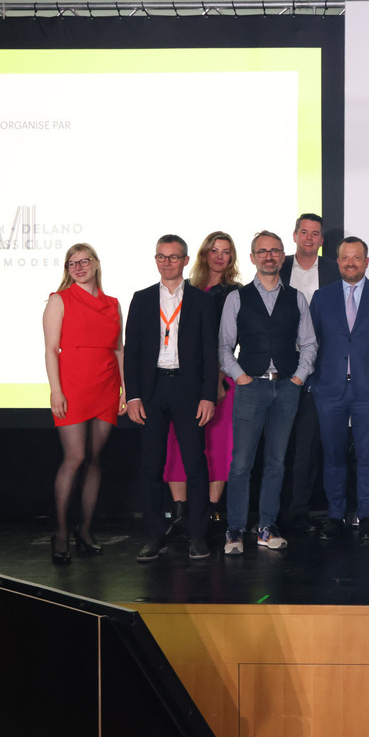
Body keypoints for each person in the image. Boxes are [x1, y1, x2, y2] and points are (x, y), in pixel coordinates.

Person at [219, 230, 318, 555]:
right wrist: (241, 377)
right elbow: (224, 347)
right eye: (262, 251)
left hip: (286, 388)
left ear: (282, 255)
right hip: (251, 388)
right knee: (241, 464)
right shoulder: (237, 298)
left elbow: (308, 344)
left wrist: (299, 378)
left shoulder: (296, 298)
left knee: (277, 463)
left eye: (275, 251)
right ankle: (234, 530)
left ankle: (266, 526)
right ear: (252, 257)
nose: (269, 256)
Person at [124, 235, 219, 562]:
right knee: (151, 464)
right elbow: (131, 353)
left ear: (185, 260)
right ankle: (154, 536)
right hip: (151, 390)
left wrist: (209, 396)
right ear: (156, 260)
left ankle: (197, 535)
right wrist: (132, 395)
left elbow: (210, 353)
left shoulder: (201, 300)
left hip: (187, 389)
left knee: (195, 462)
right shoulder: (141, 299)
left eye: (174, 257)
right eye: (162, 257)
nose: (167, 262)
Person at [309, 236, 369, 541]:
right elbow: (309, 343)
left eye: (356, 258)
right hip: (329, 390)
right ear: (338, 262)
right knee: (333, 456)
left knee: (367, 456)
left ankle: (366, 517)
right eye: (345, 258)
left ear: (366, 262)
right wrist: (312, 382)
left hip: (368, 391)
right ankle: (335, 516)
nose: (350, 263)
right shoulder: (322, 297)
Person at [42, 243, 123, 565]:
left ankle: (84, 530)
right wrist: (56, 391)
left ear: (96, 264)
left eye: (83, 261)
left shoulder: (113, 304)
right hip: (73, 386)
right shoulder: (59, 300)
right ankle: (61, 532)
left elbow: (119, 349)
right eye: (71, 263)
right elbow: (50, 349)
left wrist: (125, 389)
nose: (78, 267)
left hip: (106, 385)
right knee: (74, 457)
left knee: (94, 458)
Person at [159, 231, 241, 542]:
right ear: (204, 253)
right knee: (176, 445)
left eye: (226, 251)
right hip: (182, 379)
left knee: (219, 446)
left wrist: (218, 377)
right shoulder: (186, 289)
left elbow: (227, 341)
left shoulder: (237, 292)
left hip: (220, 379)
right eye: (215, 250)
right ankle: (180, 513)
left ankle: (212, 512)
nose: (220, 256)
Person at [280, 212, 340, 533]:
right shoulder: (279, 265)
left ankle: (299, 510)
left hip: (320, 369)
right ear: (294, 236)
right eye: (304, 232)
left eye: (315, 234)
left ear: (320, 240)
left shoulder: (332, 270)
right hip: (280, 367)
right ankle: (270, 511)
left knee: (308, 443)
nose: (309, 238)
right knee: (278, 444)